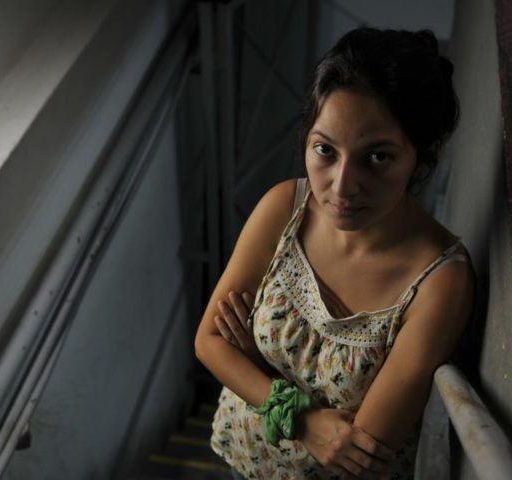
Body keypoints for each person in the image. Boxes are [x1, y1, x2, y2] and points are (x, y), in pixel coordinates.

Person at [194, 27, 474, 480]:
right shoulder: (285, 208)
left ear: (424, 156)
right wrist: (303, 418)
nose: (342, 186)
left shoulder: (439, 281)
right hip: (241, 463)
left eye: (377, 158)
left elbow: (358, 452)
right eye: (325, 150)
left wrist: (255, 366)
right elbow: (208, 342)